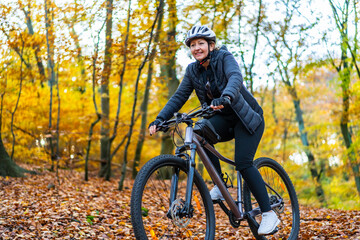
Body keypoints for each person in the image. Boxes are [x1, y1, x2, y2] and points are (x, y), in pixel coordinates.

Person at [148, 25, 280, 235]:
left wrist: (226, 96)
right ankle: (220, 184)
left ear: (210, 45)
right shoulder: (193, 70)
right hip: (223, 120)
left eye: (201, 43)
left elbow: (235, 78)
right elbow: (179, 96)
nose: (197, 48)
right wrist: (161, 118)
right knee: (199, 133)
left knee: (243, 163)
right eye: (193, 45)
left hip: (247, 119)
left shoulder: (224, 58)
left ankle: (268, 213)